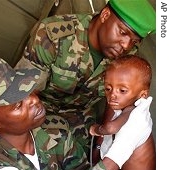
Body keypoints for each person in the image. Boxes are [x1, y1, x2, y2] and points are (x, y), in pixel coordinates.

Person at [0, 55, 152, 170]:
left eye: (29, 91)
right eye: (19, 104)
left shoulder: (55, 129)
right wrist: (118, 154)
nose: (34, 101)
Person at [15, 0, 156, 155]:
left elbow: (116, 99)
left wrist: (100, 143)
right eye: (122, 32)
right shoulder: (53, 34)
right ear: (105, 15)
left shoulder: (127, 53)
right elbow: (25, 92)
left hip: (82, 117)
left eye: (134, 41)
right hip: (39, 109)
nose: (126, 45)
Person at [90, 55, 156, 170]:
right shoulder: (131, 108)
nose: (112, 95)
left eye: (122, 90)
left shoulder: (135, 117)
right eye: (108, 88)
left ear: (142, 94)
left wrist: (96, 129)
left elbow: (110, 128)